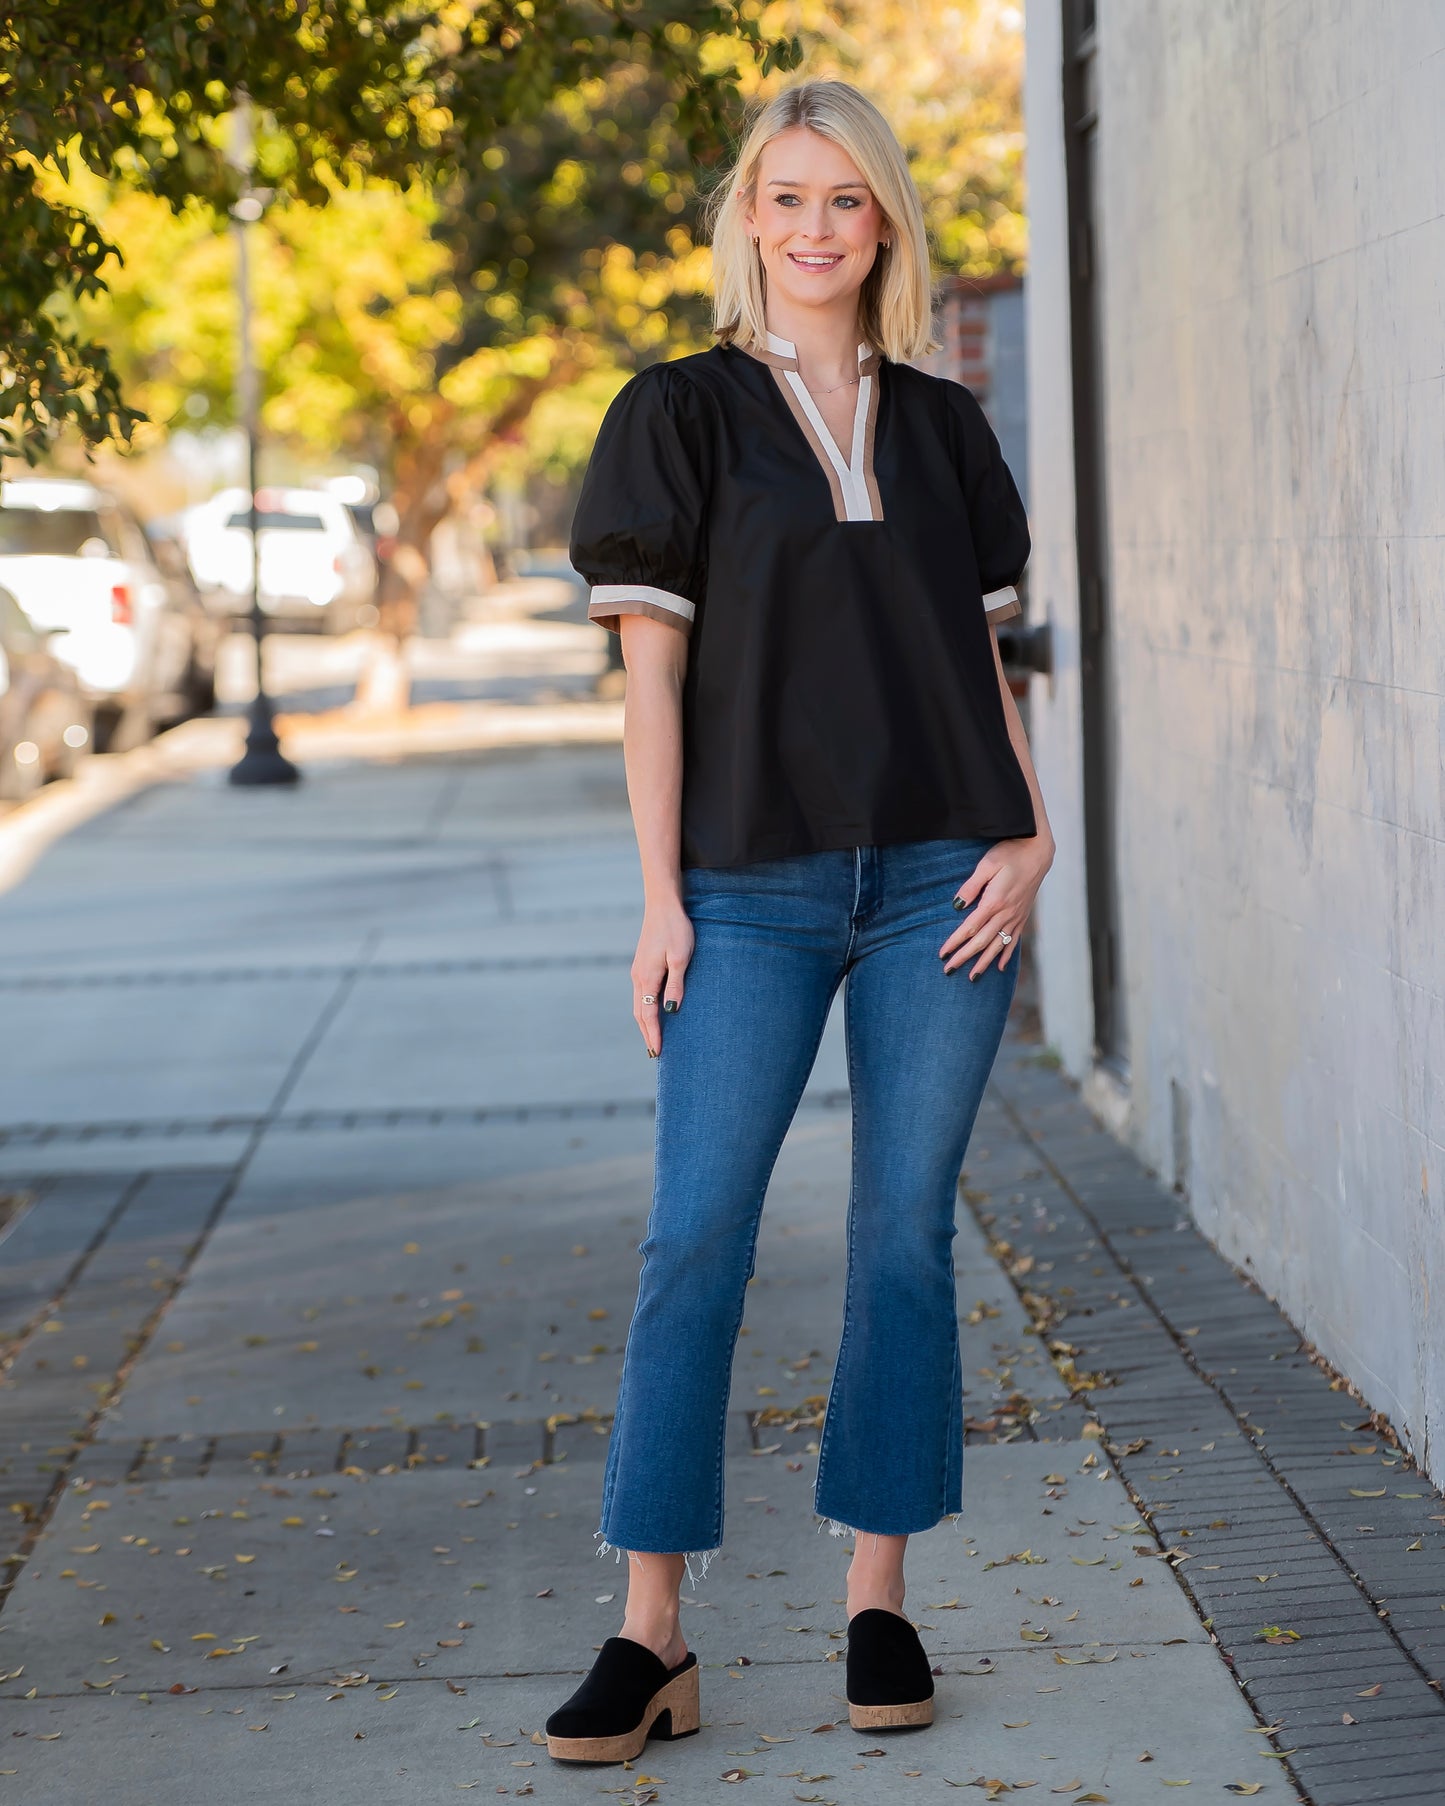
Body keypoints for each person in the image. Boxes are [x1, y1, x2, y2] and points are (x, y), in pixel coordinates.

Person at [544, 77, 1055, 1766]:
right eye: (786, 198)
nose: (816, 228)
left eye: (845, 199)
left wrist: (1032, 831)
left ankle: (877, 1597)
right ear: (745, 219)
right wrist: (655, 901)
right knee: (696, 1236)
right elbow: (652, 681)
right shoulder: (675, 416)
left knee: (901, 1234)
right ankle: (651, 1633)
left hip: (937, 878)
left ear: (884, 220)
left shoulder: (945, 429)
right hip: (745, 890)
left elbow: (980, 666)